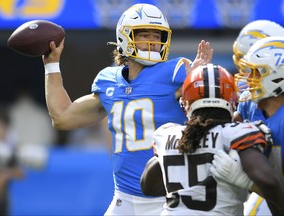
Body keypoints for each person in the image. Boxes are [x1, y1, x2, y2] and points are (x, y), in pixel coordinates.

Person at [42, 3, 213, 215]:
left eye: (156, 35)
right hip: (124, 199)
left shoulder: (176, 71)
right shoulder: (108, 81)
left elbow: (209, 107)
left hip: (169, 199)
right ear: (124, 37)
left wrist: (198, 80)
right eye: (144, 35)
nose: (152, 41)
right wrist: (52, 64)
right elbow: (63, 117)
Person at [140, 63, 284, 215]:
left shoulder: (169, 135)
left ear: (186, 103)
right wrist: (247, 183)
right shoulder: (237, 134)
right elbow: (270, 182)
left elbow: (148, 186)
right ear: (232, 101)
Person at [211, 36, 284, 216]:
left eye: (257, 72)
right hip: (269, 193)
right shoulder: (249, 106)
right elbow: (222, 131)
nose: (249, 78)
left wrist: (248, 183)